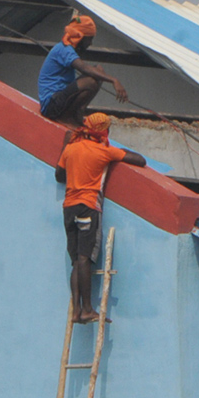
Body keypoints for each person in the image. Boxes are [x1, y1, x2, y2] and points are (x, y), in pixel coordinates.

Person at [55, 113, 145, 323]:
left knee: (76, 260)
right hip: (88, 208)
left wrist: (64, 145)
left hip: (68, 208)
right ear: (103, 131)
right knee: (85, 258)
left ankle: (76, 310)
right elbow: (140, 160)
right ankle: (87, 309)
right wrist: (117, 150)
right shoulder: (103, 152)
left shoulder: (70, 148)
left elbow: (59, 175)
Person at [38, 15, 128, 128]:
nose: (90, 43)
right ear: (80, 37)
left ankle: (77, 113)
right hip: (51, 106)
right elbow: (84, 68)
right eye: (89, 39)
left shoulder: (68, 48)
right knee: (91, 80)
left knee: (98, 70)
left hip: (60, 101)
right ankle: (66, 117)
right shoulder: (64, 49)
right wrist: (114, 80)